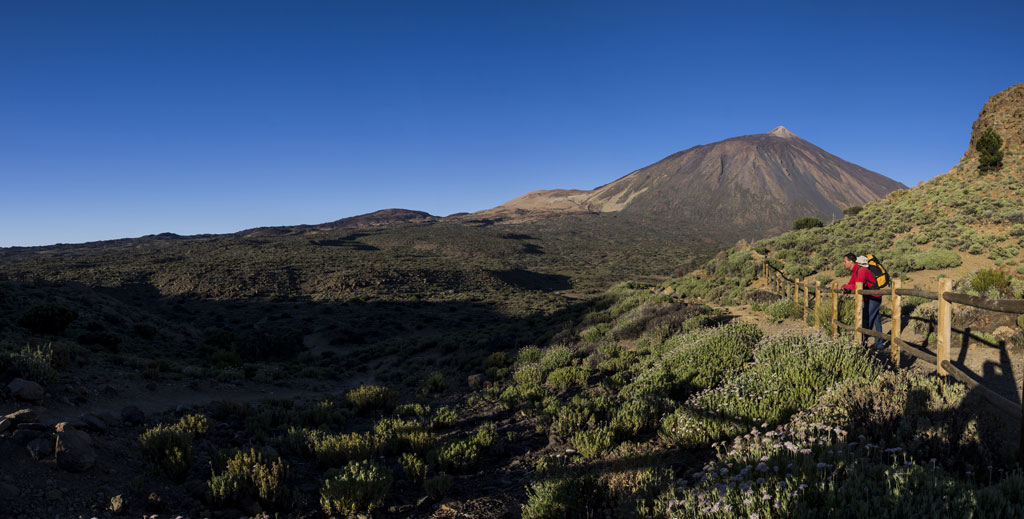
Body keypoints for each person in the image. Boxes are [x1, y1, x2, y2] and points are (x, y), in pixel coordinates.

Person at [842, 253, 884, 348]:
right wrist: (846, 287)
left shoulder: (861, 270)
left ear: (851, 262)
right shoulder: (855, 271)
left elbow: (858, 285)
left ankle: (862, 342)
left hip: (874, 297)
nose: (843, 263)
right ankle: (879, 344)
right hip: (869, 297)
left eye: (845, 261)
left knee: (866, 319)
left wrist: (845, 287)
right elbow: (851, 284)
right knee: (876, 321)